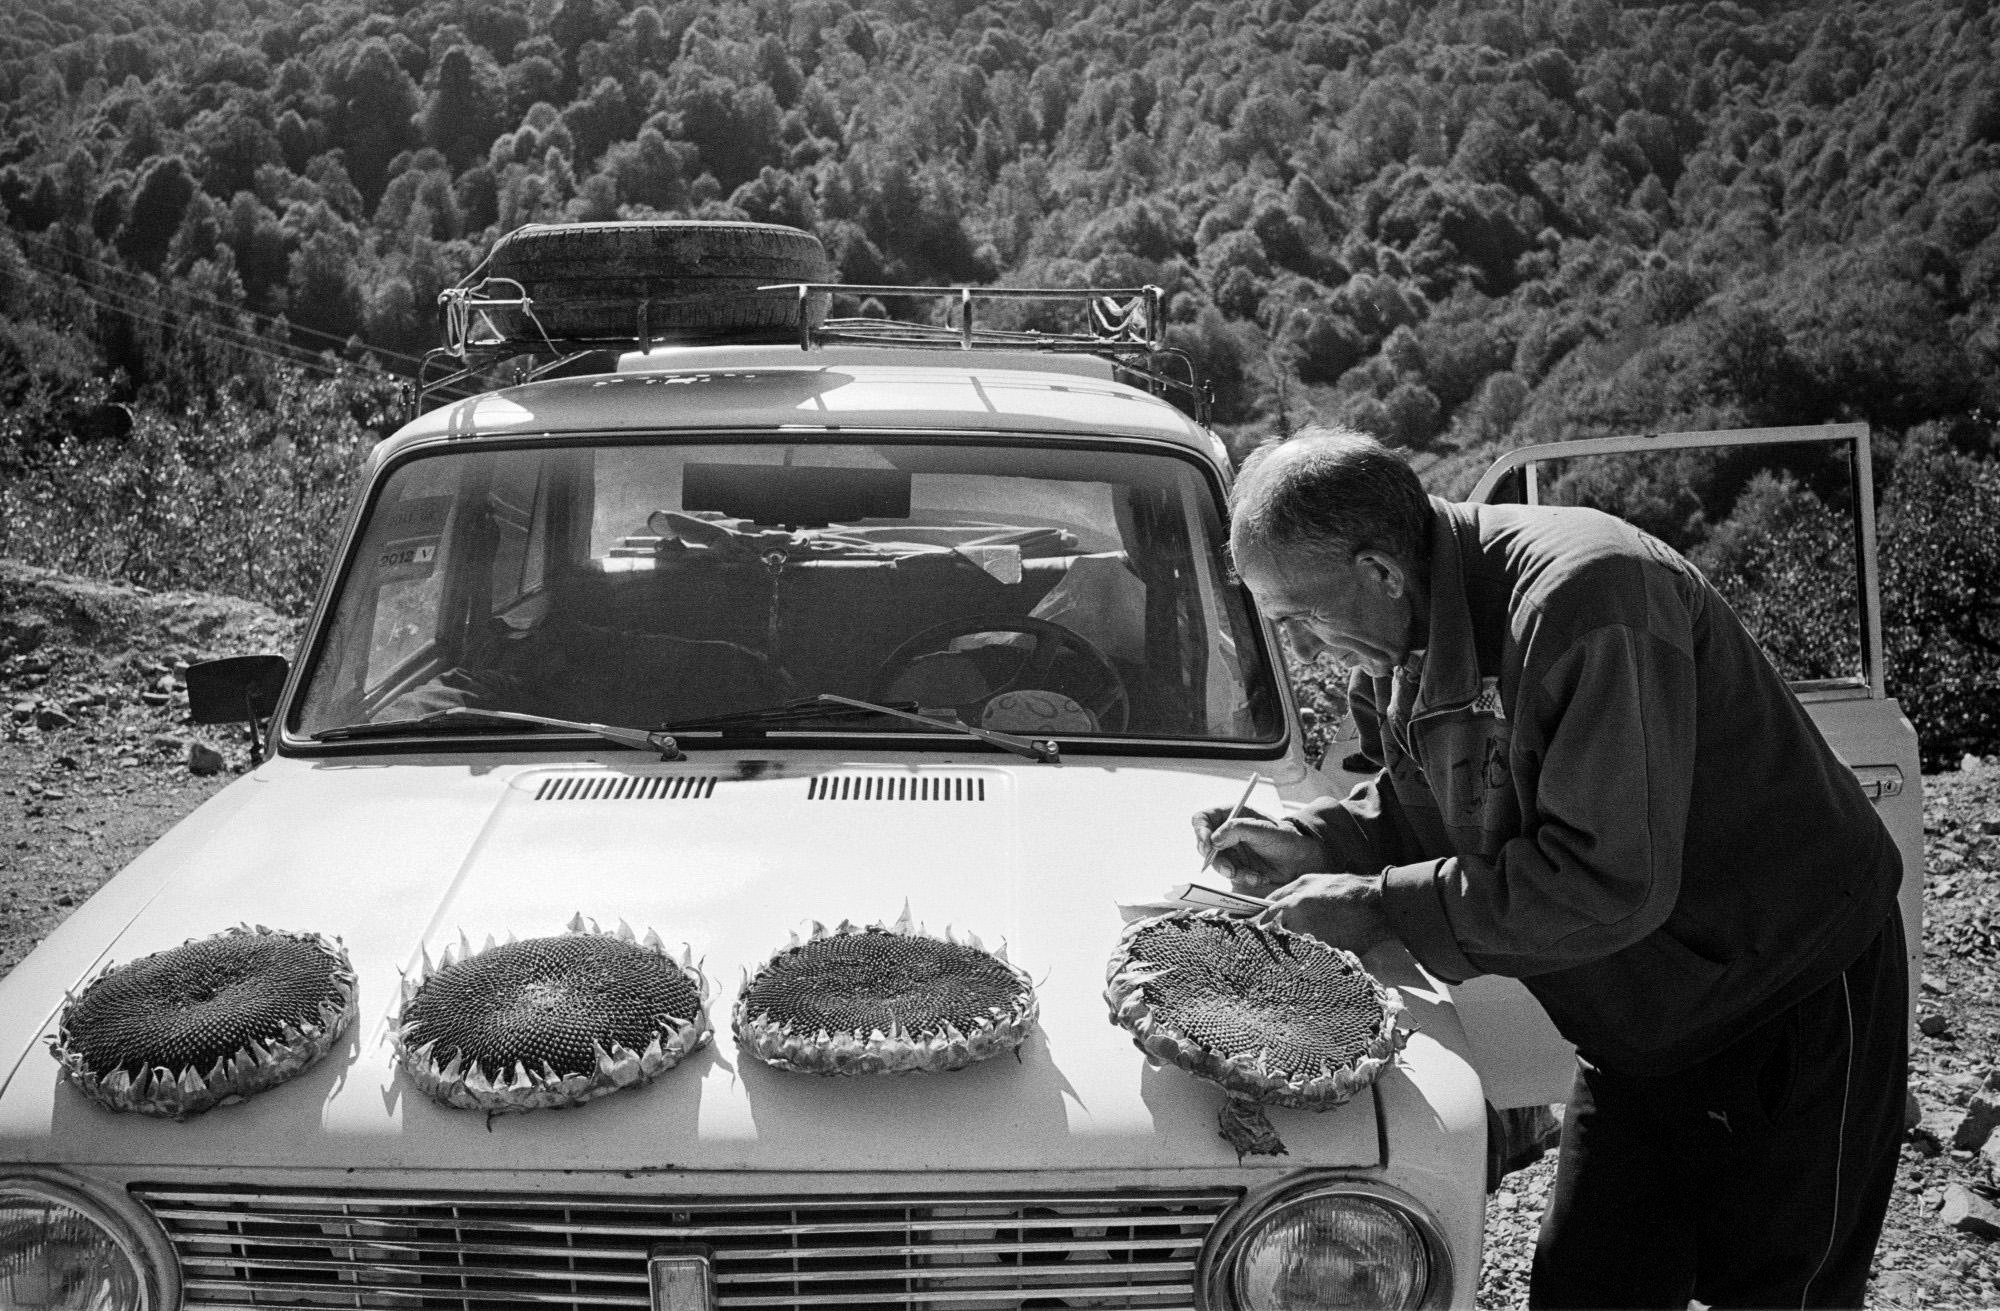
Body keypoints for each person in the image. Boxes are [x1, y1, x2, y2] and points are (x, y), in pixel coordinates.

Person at [1196, 427, 1907, 1309]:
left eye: (1299, 619)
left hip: (1784, 993)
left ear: (1380, 571)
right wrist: (1327, 840)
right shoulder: (1395, 639)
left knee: (1777, 1291)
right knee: (1585, 1288)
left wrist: (1380, 908)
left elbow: (1605, 882)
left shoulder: (1591, 601)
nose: (1301, 649)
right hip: (1635, 1025)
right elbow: (1438, 801)